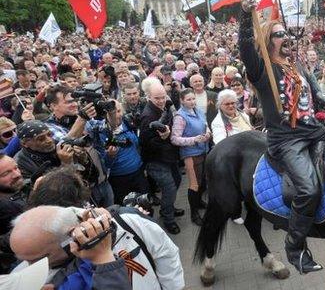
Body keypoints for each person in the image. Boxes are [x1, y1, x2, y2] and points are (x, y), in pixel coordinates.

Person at [239, 0, 325, 273]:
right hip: (286, 140)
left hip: (314, 130)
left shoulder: (297, 66)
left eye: (286, 33)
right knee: (308, 189)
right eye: (279, 33)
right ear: (269, 39)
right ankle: (295, 248)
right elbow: (246, 49)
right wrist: (246, 16)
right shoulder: (262, 68)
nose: (286, 37)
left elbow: (314, 92)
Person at [10, 205, 185, 289]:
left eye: (38, 258)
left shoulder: (127, 223)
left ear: (71, 237)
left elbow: (165, 254)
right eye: (23, 259)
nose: (28, 266)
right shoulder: (27, 282)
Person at [139, 81, 183, 234]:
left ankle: (167, 207)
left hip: (169, 156)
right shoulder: (147, 116)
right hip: (156, 160)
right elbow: (145, 143)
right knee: (169, 188)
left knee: (176, 182)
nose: (161, 100)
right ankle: (168, 219)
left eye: (163, 97)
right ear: (148, 97)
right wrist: (163, 137)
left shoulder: (163, 106)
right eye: (157, 98)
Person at [88, 100, 147, 205]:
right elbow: (105, 164)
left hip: (138, 173)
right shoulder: (101, 132)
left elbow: (136, 143)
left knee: (145, 204)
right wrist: (111, 155)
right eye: (113, 112)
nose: (117, 115)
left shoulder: (126, 122)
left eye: (119, 111)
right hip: (119, 179)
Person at [170, 88, 210, 226]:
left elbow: (205, 125)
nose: (192, 101)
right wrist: (194, 140)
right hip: (190, 155)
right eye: (189, 99)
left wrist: (208, 133)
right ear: (182, 101)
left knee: (202, 181)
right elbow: (174, 139)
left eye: (193, 98)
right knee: (194, 185)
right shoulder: (180, 117)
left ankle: (199, 202)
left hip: (203, 150)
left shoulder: (198, 110)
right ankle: (194, 213)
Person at [0, 155, 26, 274]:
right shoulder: (7, 205)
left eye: (16, 168)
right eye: (6, 174)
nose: (16, 174)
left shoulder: (12, 192)